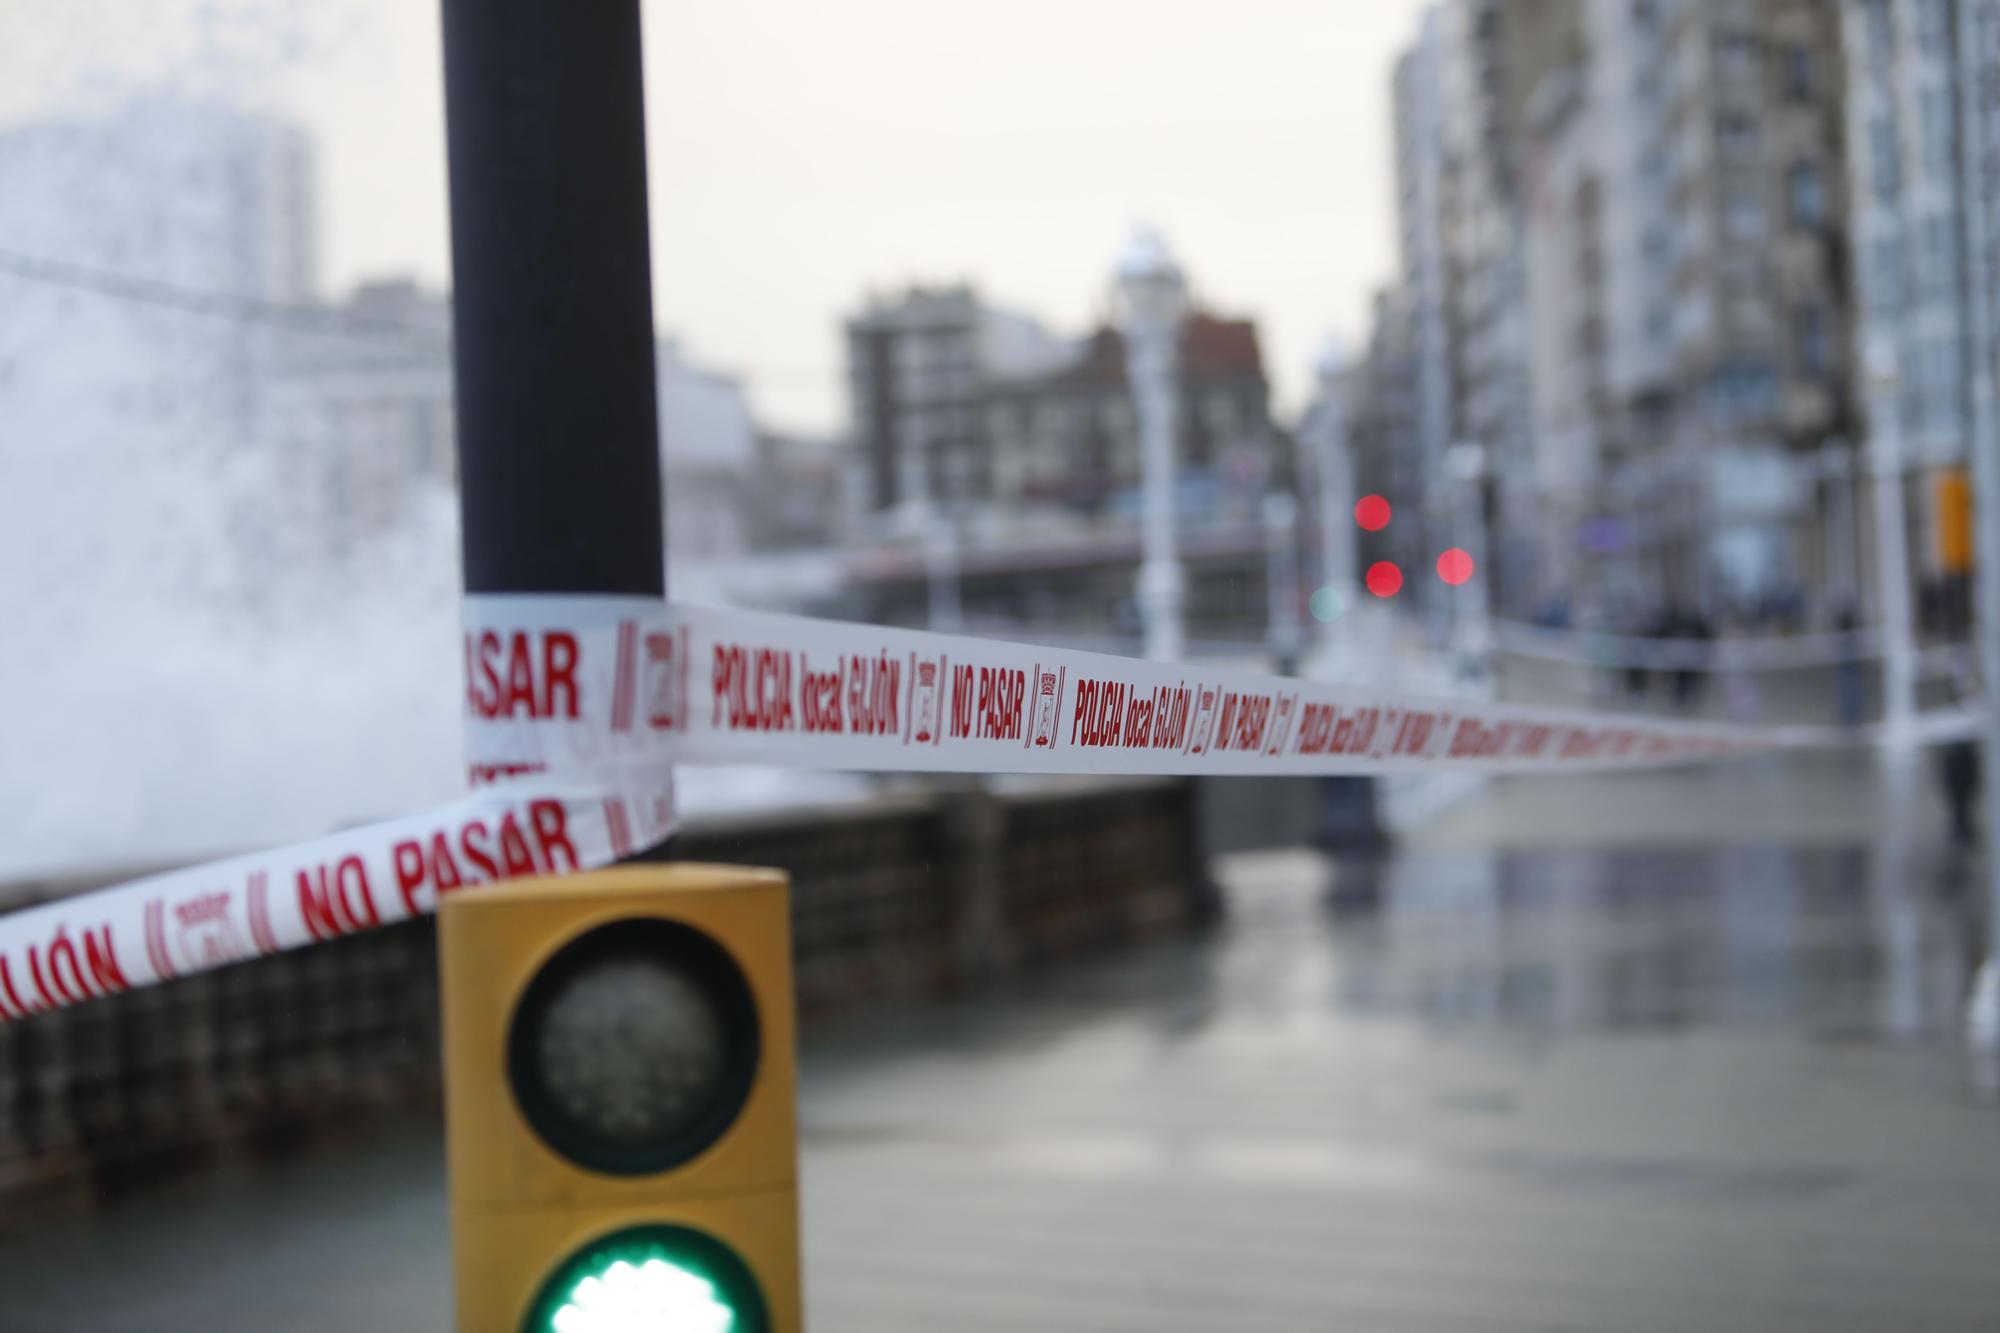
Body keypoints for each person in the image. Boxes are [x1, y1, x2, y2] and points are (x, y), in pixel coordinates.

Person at [1938, 656, 1982, 847]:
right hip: (1957, 754)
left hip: (1964, 753)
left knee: (1964, 795)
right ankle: (1961, 825)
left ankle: (1962, 825)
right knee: (1960, 797)